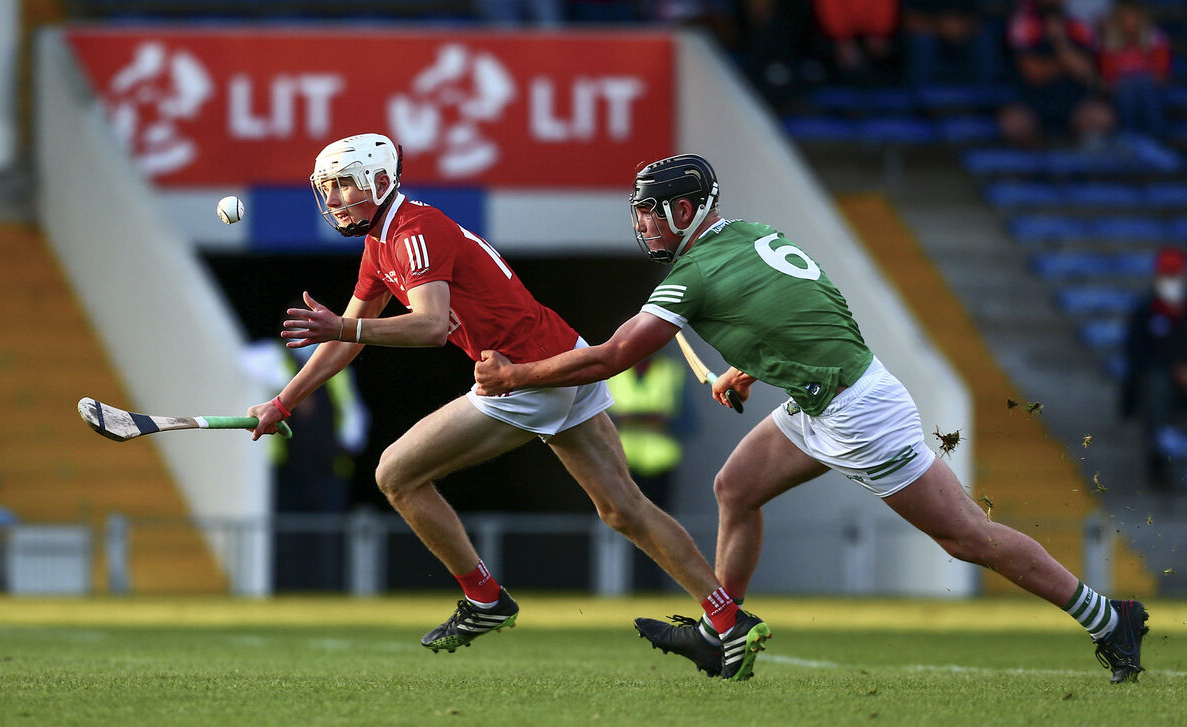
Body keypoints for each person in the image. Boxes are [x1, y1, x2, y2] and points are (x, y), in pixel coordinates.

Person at [474, 153, 1151, 684]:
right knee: (735, 488)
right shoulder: (749, 234)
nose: (643, 224)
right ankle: (724, 634)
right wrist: (750, 366)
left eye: (652, 212)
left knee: (966, 537)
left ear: (686, 208)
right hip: (830, 390)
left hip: (858, 412)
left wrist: (512, 376)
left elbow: (613, 357)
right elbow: (802, 310)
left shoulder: (691, 277)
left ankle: (1108, 617)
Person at [246, 133, 769, 680]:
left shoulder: (413, 230)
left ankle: (484, 597)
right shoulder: (381, 243)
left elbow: (426, 326)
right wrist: (285, 401)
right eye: (327, 188)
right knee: (623, 508)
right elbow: (345, 342)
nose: (334, 198)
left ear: (381, 181)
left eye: (345, 184)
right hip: (562, 357)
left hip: (525, 376)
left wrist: (345, 324)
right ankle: (728, 619)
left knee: (396, 474)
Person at [243, 322, 370, 591]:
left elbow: (353, 415)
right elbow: (245, 359)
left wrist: (347, 444)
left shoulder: (338, 366)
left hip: (327, 469)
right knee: (285, 537)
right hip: (287, 469)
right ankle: (285, 590)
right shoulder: (274, 358)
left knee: (326, 538)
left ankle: (326, 591)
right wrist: (294, 391)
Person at [607, 352, 689, 590]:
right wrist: (651, 417)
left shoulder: (671, 373)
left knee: (661, 527)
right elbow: (600, 420)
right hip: (623, 464)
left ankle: (655, 586)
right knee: (622, 524)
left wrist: (631, 417)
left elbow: (686, 422)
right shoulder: (612, 374)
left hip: (660, 463)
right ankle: (618, 587)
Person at [998, 0, 1115, 147]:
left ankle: (1085, 162)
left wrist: (1060, 42)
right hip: (1032, 102)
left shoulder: (1078, 26)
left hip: (1073, 101)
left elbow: (1085, 72)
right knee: (1014, 124)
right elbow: (1033, 73)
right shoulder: (1024, 23)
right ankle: (1030, 164)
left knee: (1101, 117)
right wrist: (1066, 65)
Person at [1120, 246, 1187, 491]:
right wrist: (1174, 369)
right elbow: (1137, 352)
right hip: (1158, 384)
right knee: (1155, 386)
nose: (1172, 280)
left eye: (1175, 274)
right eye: (1167, 274)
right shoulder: (1145, 310)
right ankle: (1159, 460)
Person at [1097, 0, 1172, 138]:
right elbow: (1107, 79)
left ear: (1141, 18)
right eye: (1125, 16)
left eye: (1133, 16)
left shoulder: (1156, 38)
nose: (1129, 21)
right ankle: (1129, 139)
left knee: (1143, 87)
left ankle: (1153, 139)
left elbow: (1160, 76)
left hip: (1147, 89)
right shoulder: (1108, 42)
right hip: (1121, 91)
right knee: (1127, 90)